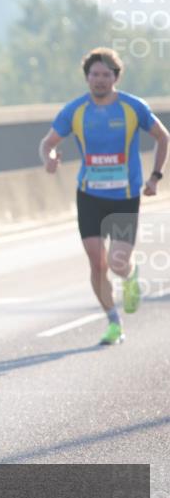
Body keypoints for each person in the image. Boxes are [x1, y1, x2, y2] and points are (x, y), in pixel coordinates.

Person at [39, 47, 168, 345]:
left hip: (124, 196)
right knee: (97, 263)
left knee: (118, 262)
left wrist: (155, 176)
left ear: (115, 77)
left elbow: (163, 137)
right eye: (94, 74)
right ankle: (113, 321)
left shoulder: (132, 107)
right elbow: (48, 143)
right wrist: (50, 157)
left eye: (105, 75)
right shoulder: (75, 110)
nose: (99, 80)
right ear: (87, 78)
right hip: (89, 195)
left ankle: (130, 276)